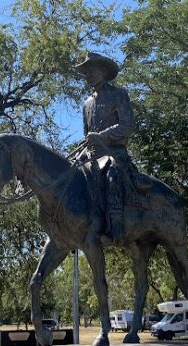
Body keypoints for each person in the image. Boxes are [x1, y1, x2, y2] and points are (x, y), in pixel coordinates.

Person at [74, 52, 135, 244]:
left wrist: (102, 136)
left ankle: (116, 225)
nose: (89, 75)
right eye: (86, 72)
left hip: (114, 153)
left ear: (104, 71)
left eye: (92, 70)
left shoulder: (119, 95)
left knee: (113, 175)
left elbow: (127, 125)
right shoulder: (87, 104)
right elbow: (87, 135)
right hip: (92, 156)